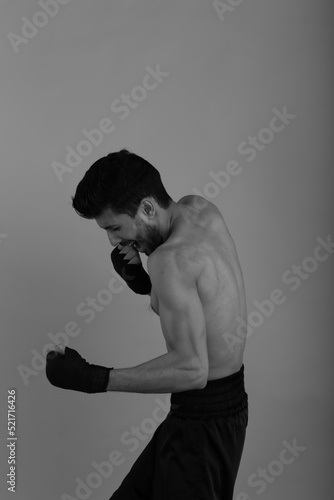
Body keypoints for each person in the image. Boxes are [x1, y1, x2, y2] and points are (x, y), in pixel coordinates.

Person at [45, 148, 248, 500]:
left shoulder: (169, 261)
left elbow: (192, 370)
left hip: (200, 427)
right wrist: (145, 285)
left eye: (114, 227)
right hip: (222, 410)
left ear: (149, 208)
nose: (112, 240)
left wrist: (95, 378)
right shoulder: (199, 208)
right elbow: (202, 299)